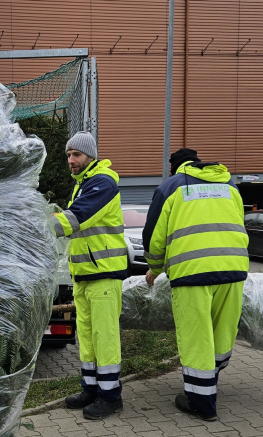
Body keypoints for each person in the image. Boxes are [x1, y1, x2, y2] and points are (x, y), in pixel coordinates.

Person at [142, 147, 249, 421]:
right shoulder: (229, 186)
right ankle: (211, 379)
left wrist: (155, 268)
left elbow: (153, 235)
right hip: (234, 270)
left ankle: (202, 403)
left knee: (196, 336)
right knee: (222, 331)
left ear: (173, 167)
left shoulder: (171, 187)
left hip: (192, 274)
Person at [53, 131, 128, 420]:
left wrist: (36, 223)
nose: (71, 160)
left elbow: (75, 219)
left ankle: (111, 397)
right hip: (86, 274)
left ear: (90, 156)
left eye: (76, 155)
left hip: (103, 275)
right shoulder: (83, 184)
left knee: (104, 336)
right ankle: (91, 388)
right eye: (69, 155)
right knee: (87, 334)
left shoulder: (102, 182)